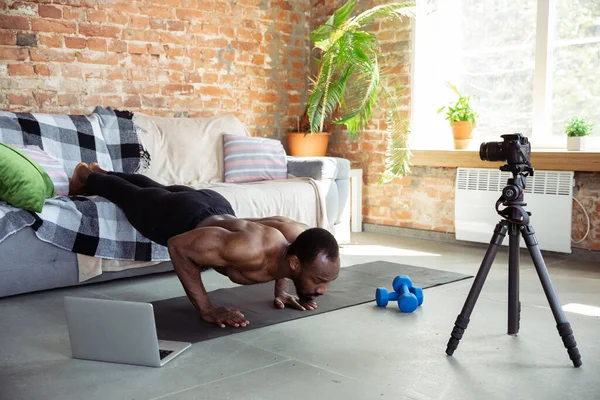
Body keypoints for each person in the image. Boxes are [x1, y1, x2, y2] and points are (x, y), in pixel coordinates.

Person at [69, 162, 341, 328]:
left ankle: (105, 171)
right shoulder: (249, 249)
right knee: (135, 197)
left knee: (157, 189)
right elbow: (178, 246)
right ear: (295, 263)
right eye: (318, 279)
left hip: (217, 205)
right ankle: (87, 176)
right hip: (181, 218)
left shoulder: (296, 238)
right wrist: (207, 309)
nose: (322, 288)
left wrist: (282, 291)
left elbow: (286, 253)